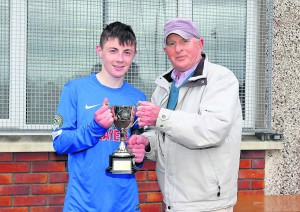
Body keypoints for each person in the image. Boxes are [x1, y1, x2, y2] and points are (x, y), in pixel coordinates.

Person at [129, 18, 242, 212]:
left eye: (184, 41)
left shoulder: (221, 79)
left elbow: (211, 130)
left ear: (200, 43)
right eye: (172, 43)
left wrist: (161, 117)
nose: (178, 49)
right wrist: (146, 142)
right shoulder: (164, 86)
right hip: (171, 201)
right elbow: (163, 135)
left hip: (208, 204)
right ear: (166, 51)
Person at [51, 21, 147, 212]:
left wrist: (140, 154)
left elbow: (138, 145)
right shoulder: (75, 89)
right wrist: (95, 128)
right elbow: (59, 143)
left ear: (134, 55)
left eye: (127, 52)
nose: (120, 59)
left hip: (125, 204)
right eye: (113, 50)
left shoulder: (139, 98)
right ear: (99, 50)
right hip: (82, 204)